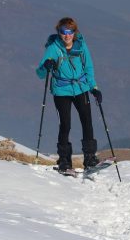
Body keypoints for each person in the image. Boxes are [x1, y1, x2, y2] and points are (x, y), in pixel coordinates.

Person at [36, 17, 102, 172]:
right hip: (61, 90)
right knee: (65, 124)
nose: (67, 35)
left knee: (87, 122)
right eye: (63, 32)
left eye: (70, 32)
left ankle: (90, 158)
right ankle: (64, 160)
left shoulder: (81, 45)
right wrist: (46, 66)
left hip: (81, 88)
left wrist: (94, 87)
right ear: (59, 32)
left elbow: (89, 67)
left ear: (74, 32)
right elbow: (40, 73)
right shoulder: (53, 48)